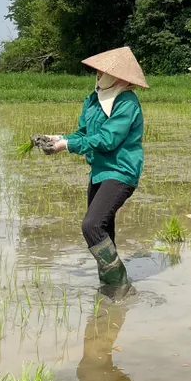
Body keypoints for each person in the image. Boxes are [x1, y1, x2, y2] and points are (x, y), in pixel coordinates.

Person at [40, 46, 147, 294]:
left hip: (121, 171)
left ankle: (121, 285)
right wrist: (58, 138)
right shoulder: (92, 99)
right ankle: (108, 287)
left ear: (119, 77)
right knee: (104, 228)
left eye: (103, 72)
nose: (98, 76)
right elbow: (82, 134)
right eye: (97, 72)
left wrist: (67, 146)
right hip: (99, 171)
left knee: (92, 225)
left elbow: (108, 139)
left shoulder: (126, 102)